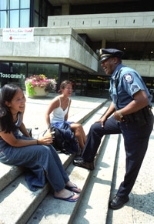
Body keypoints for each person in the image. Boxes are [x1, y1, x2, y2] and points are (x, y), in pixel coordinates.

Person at [73, 48, 154, 209]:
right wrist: (104, 117)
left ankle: (123, 195)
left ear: (115, 60)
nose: (102, 65)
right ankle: (88, 160)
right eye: (101, 62)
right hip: (123, 119)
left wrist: (120, 113)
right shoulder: (115, 76)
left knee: (132, 161)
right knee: (97, 127)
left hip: (138, 124)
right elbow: (115, 100)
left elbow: (142, 99)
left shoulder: (126, 74)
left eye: (105, 61)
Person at [0, 84, 81, 202]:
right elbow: (14, 143)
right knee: (43, 151)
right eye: (18, 99)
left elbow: (20, 123)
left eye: (23, 97)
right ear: (7, 103)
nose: (23, 101)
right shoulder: (1, 119)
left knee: (47, 145)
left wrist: (29, 138)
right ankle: (59, 190)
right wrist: (37, 142)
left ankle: (65, 180)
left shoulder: (19, 109)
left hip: (16, 141)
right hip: (6, 151)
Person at [45, 80, 86, 151]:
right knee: (78, 126)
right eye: (68, 88)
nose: (70, 90)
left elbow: (66, 115)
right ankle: (84, 150)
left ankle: (86, 146)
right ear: (62, 89)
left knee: (79, 126)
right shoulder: (57, 100)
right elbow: (46, 114)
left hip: (63, 123)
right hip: (55, 124)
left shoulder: (69, 100)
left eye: (71, 88)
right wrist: (49, 128)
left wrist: (67, 125)